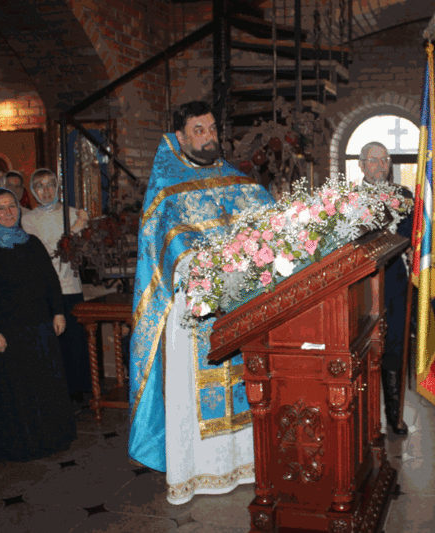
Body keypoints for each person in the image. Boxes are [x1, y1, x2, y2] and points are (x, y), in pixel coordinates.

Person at [128, 100, 274, 505]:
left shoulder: (238, 181)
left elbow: (271, 226)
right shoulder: (166, 188)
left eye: (212, 129)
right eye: (199, 130)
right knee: (196, 389)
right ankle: (197, 471)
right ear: (179, 136)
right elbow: (164, 248)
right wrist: (205, 270)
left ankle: (248, 463)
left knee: (246, 380)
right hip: (194, 310)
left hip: (242, 304)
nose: (209, 138)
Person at [0, 188, 75, 460]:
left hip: (39, 327)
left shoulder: (32, 243)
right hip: (8, 332)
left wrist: (58, 312)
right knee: (18, 390)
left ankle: (51, 438)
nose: (8, 212)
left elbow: (50, 280)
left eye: (11, 206)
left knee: (45, 385)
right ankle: (24, 444)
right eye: (0, 208)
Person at [22, 168, 91, 403]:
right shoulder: (28, 219)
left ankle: (79, 394)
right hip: (45, 289)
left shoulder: (72, 213)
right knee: (54, 343)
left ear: (58, 187)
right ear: (33, 190)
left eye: (50, 184)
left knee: (75, 343)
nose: (46, 191)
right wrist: (76, 228)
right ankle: (56, 395)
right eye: (39, 186)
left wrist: (82, 226)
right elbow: (48, 250)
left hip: (71, 287)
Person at [359, 141, 412, 436]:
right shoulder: (347, 200)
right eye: (373, 160)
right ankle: (367, 417)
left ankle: (394, 415)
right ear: (361, 165)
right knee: (365, 347)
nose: (380, 166)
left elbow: (414, 235)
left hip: (395, 278)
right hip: (362, 284)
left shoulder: (404, 196)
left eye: (384, 160)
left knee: (394, 344)